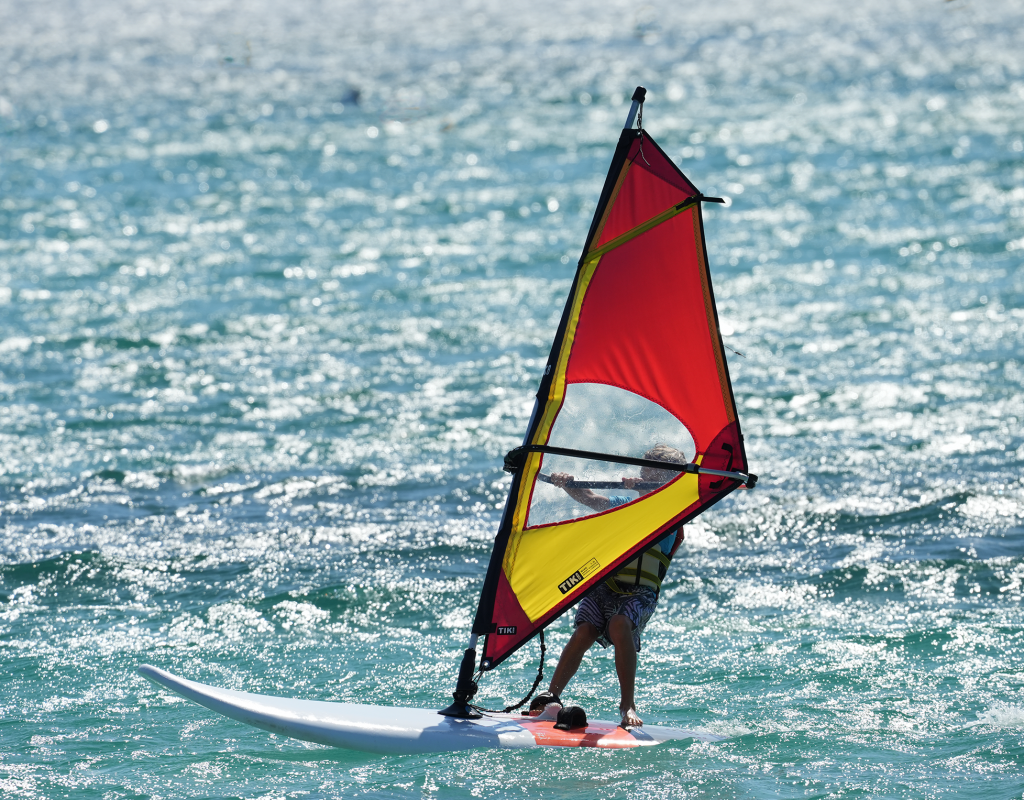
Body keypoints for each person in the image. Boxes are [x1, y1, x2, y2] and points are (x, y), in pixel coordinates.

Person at [533, 444, 687, 729]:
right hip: (607, 586)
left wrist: (644, 491)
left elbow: (661, 509)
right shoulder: (623, 504)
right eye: (645, 471)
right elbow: (590, 498)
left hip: (641, 593)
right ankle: (551, 697)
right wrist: (567, 484)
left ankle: (627, 704)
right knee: (585, 631)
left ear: (670, 483)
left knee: (619, 624)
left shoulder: (674, 512)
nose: (645, 477)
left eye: (655, 475)